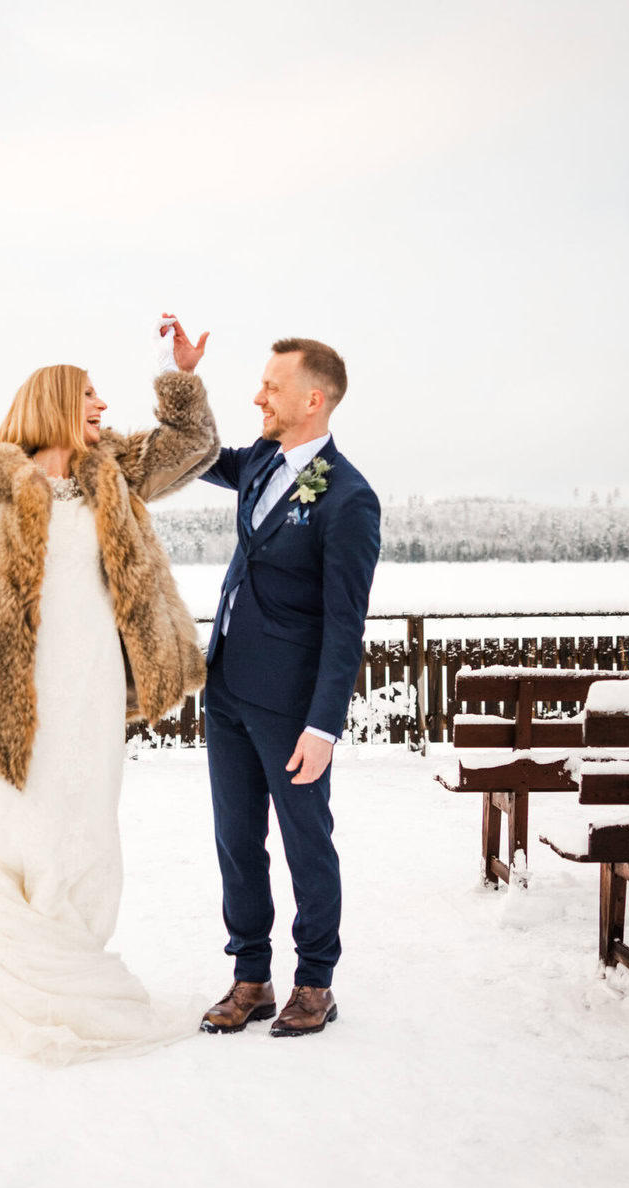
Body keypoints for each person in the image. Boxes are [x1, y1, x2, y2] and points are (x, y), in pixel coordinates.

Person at [0, 317, 219, 1065]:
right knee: (33, 814)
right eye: (89, 394)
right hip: (26, 682)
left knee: (91, 816)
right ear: (52, 400)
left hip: (97, 677)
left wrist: (175, 374)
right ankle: (41, 976)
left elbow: (195, 446)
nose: (104, 405)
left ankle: (78, 958)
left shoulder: (112, 466)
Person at [196, 337, 381, 1037]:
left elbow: (346, 624)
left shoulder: (350, 500)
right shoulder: (260, 463)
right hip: (228, 688)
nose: (257, 396)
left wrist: (323, 725)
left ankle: (315, 982)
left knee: (306, 842)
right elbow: (199, 451)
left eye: (272, 386)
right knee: (236, 840)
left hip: (293, 706)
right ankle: (250, 976)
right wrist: (177, 377)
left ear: (314, 398)